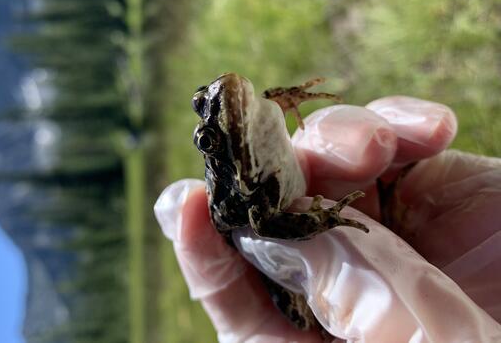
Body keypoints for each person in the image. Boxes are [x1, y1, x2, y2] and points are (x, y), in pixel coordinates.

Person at [155, 96, 501, 342]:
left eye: (203, 103)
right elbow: (263, 224)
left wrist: (284, 101)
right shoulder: (253, 194)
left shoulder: (252, 123)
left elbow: (266, 106)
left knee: (354, 153)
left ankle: (397, 224)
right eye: (209, 138)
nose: (215, 100)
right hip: (284, 287)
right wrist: (325, 222)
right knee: (300, 311)